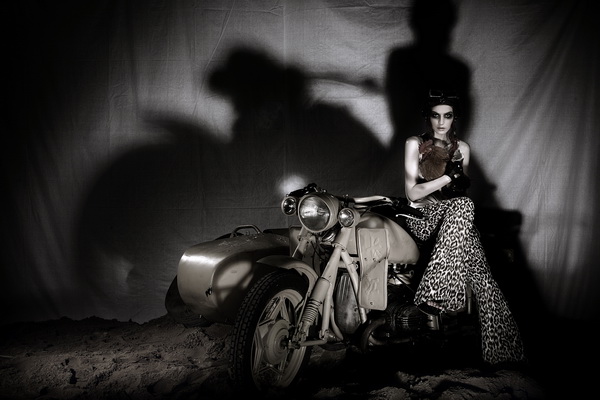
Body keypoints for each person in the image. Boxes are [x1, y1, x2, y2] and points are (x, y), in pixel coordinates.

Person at [403, 90, 525, 365]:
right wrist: (448, 177)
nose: (441, 122)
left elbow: (459, 194)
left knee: (484, 278)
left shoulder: (463, 149)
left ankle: (505, 353)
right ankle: (434, 294)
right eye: (435, 116)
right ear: (427, 117)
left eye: (447, 116)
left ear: (454, 118)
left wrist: (455, 181)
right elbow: (413, 193)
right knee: (465, 207)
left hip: (454, 221)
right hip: (422, 219)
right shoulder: (414, 143)